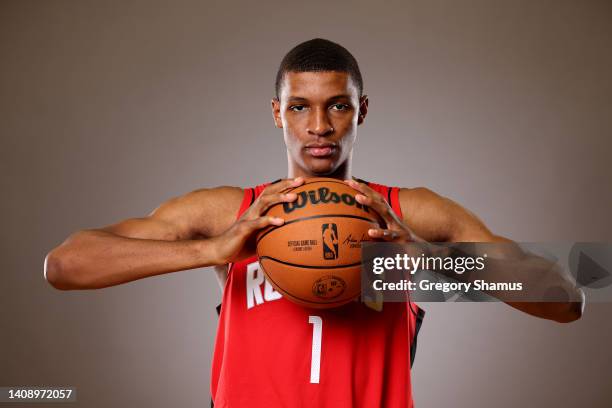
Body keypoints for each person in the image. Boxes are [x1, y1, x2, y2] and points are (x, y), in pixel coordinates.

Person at [44, 38, 583, 407]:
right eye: (299, 107)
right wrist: (213, 249)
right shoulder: (232, 212)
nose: (319, 127)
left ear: (362, 110)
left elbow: (564, 298)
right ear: (277, 112)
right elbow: (65, 264)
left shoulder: (408, 213)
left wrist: (428, 258)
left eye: (338, 107)